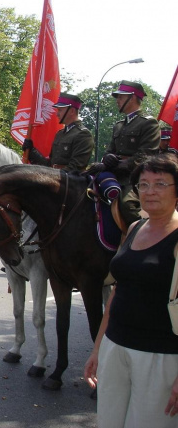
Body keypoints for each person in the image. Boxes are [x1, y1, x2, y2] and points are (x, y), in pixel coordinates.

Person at [84, 154, 178, 427]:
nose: (149, 191)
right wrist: (98, 349)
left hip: (160, 357)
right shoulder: (135, 227)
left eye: (160, 184)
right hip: (116, 347)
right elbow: (117, 292)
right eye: (143, 184)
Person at [96, 80, 161, 226]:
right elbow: (109, 151)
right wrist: (107, 158)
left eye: (120, 97)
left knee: (128, 205)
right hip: (114, 175)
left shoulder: (148, 123)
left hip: (135, 179)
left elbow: (145, 157)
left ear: (132, 98)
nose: (117, 100)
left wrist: (117, 164)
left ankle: (145, 238)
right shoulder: (119, 125)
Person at [22, 93, 94, 172]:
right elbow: (49, 165)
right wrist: (32, 151)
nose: (57, 114)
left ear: (72, 111)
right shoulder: (60, 134)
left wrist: (50, 176)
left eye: (60, 110)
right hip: (54, 178)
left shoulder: (83, 135)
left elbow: (75, 169)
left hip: (69, 182)